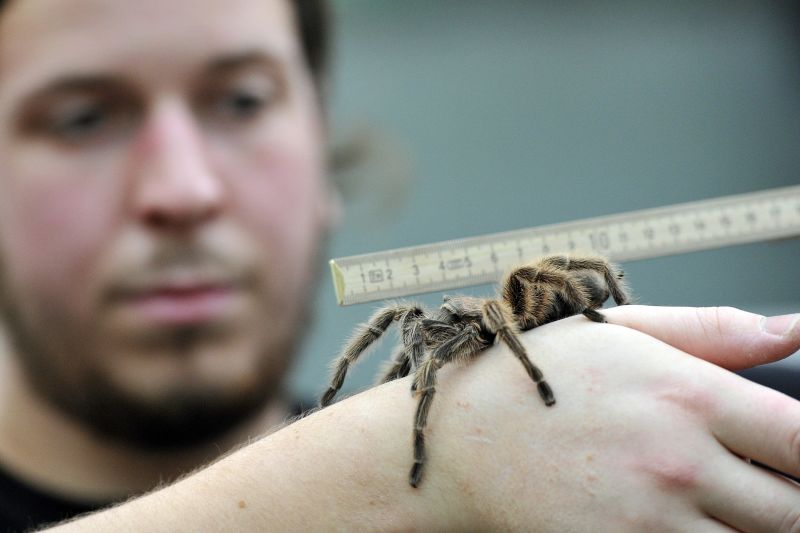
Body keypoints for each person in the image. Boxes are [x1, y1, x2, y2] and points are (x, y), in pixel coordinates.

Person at [0, 0, 797, 531]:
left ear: (323, 159)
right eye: (83, 117)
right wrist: (385, 467)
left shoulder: (619, 480)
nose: (183, 190)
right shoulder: (451, 454)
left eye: (241, 101)